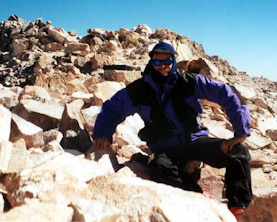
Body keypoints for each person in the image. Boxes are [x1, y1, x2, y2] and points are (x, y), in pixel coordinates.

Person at [93, 42, 252, 219]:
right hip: (164, 148)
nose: (162, 67)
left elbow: (225, 92)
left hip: (195, 140)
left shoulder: (188, 82)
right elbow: (113, 108)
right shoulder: (139, 90)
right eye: (157, 62)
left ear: (174, 61)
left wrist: (241, 131)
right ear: (151, 63)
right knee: (160, 167)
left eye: (167, 62)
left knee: (238, 152)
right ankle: (200, 200)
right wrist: (103, 133)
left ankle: (236, 210)